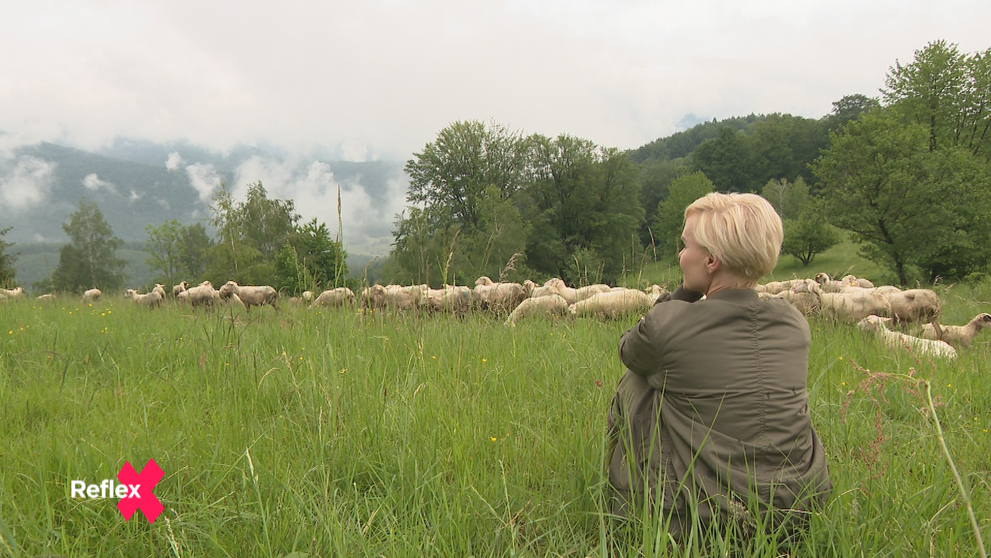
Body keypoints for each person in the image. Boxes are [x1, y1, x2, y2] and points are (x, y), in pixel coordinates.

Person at [606, 192, 831, 541]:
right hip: (797, 512)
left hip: (703, 522)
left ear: (711, 260)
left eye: (686, 246)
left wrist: (682, 295)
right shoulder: (793, 321)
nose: (680, 256)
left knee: (636, 380)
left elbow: (629, 349)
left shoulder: (668, 325)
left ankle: (627, 505)